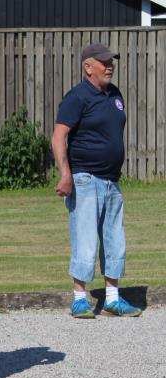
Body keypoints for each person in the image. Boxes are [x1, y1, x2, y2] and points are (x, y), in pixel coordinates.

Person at [52, 43, 141, 319]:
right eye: (103, 62)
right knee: (86, 239)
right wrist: (66, 174)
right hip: (85, 179)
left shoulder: (115, 95)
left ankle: (113, 298)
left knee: (115, 239)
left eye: (111, 61)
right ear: (87, 67)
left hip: (112, 181)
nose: (109, 65)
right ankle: (79, 298)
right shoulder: (77, 97)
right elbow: (58, 137)